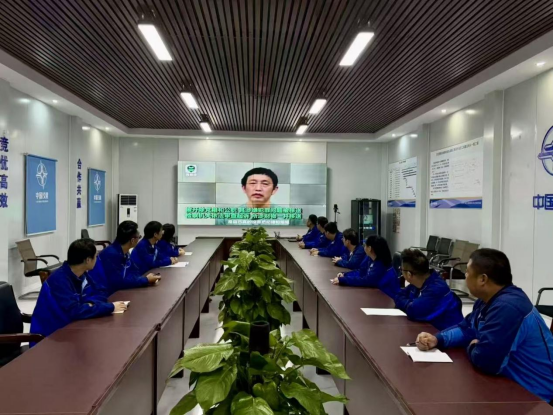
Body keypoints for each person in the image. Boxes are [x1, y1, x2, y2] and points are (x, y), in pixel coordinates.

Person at [415, 249, 553, 403]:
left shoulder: (509, 307)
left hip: (536, 396)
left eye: (467, 272)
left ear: (482, 279)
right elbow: (466, 329)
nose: (465, 275)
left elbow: (487, 361)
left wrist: (473, 345)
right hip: (507, 384)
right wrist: (437, 339)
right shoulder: (487, 300)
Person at [30, 239, 127, 342]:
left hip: (72, 329)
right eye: (95, 256)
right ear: (88, 260)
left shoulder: (82, 274)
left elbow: (101, 291)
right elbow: (75, 311)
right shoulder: (59, 280)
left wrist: (90, 303)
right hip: (51, 337)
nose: (97, 258)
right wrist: (110, 307)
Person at [395, 249, 464, 330]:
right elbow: (398, 296)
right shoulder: (418, 282)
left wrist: (409, 304)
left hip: (448, 334)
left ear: (409, 274)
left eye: (401, 269)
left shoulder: (437, 289)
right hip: (430, 330)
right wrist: (409, 303)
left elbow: (413, 310)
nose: (401, 272)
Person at [95, 221, 161, 295]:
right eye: (139, 237)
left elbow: (135, 271)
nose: (139, 240)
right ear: (132, 240)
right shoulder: (111, 254)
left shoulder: (124, 252)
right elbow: (118, 283)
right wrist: (146, 280)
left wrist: (143, 279)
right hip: (105, 294)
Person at [332, 235, 400, 298]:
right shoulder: (371, 259)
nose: (363, 247)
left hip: (387, 299)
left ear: (369, 248)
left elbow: (367, 281)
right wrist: (345, 275)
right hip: (377, 295)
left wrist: (344, 280)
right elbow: (362, 272)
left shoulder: (381, 265)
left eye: (365, 245)